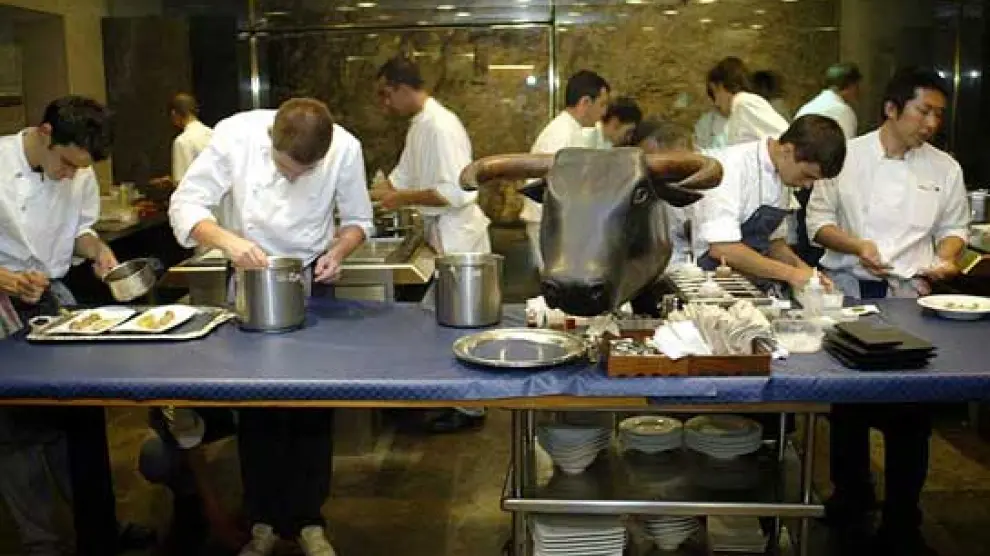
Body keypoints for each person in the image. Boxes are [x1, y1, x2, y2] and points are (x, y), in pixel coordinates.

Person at [169, 97, 374, 556]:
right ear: (271, 142)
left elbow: (359, 221)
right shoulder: (234, 135)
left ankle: (309, 521)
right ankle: (260, 520)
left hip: (312, 279)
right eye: (286, 169)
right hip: (250, 275)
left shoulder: (346, 148)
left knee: (314, 404)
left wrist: (339, 251)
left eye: (306, 173)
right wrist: (228, 242)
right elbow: (185, 205)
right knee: (257, 406)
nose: (295, 179)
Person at [806, 68, 967, 555]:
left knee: (910, 413)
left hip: (909, 299)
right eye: (924, 111)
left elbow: (953, 229)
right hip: (852, 294)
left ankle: (903, 519)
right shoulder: (847, 157)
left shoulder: (945, 168)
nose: (932, 123)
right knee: (848, 406)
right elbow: (817, 223)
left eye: (939, 114)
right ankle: (851, 496)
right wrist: (857, 246)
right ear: (892, 109)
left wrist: (947, 259)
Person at [0, 95, 155, 556]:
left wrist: (98, 252)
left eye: (80, 168)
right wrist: (6, 278)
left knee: (75, 414)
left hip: (49, 295)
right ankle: (41, 542)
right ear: (45, 133)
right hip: (3, 303)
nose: (71, 175)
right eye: (66, 164)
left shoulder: (79, 170)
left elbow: (80, 231)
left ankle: (99, 526)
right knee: (15, 433)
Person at [371, 55, 491, 434]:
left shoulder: (441, 126)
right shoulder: (419, 126)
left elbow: (457, 193)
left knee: (461, 327)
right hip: (442, 237)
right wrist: (367, 196)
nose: (384, 104)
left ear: (403, 88)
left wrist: (401, 198)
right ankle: (441, 396)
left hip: (461, 238)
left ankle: (469, 408)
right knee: (434, 323)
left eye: (386, 94)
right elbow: (399, 179)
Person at [689, 114, 846, 291]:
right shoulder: (731, 167)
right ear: (787, 150)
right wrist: (791, 274)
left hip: (746, 284)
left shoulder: (784, 175)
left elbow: (773, 243)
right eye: (807, 176)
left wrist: (809, 274)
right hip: (706, 282)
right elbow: (723, 248)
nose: (807, 185)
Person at [522, 69, 610, 270]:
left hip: (561, 222)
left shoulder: (573, 130)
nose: (604, 113)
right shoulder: (559, 135)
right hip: (550, 223)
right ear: (585, 102)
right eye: (602, 104)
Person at [792, 62, 863, 266]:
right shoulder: (841, 111)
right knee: (816, 244)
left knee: (804, 240)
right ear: (851, 86)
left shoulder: (812, 105)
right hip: (818, 181)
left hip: (801, 180)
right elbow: (843, 157)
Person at [706, 57, 789, 146]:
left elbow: (782, 133)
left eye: (715, 92)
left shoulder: (744, 102)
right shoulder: (736, 113)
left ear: (721, 86)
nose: (716, 103)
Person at [795, 62, 862, 140]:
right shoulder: (843, 111)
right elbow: (846, 145)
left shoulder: (808, 107)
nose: (859, 91)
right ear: (851, 86)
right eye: (857, 86)